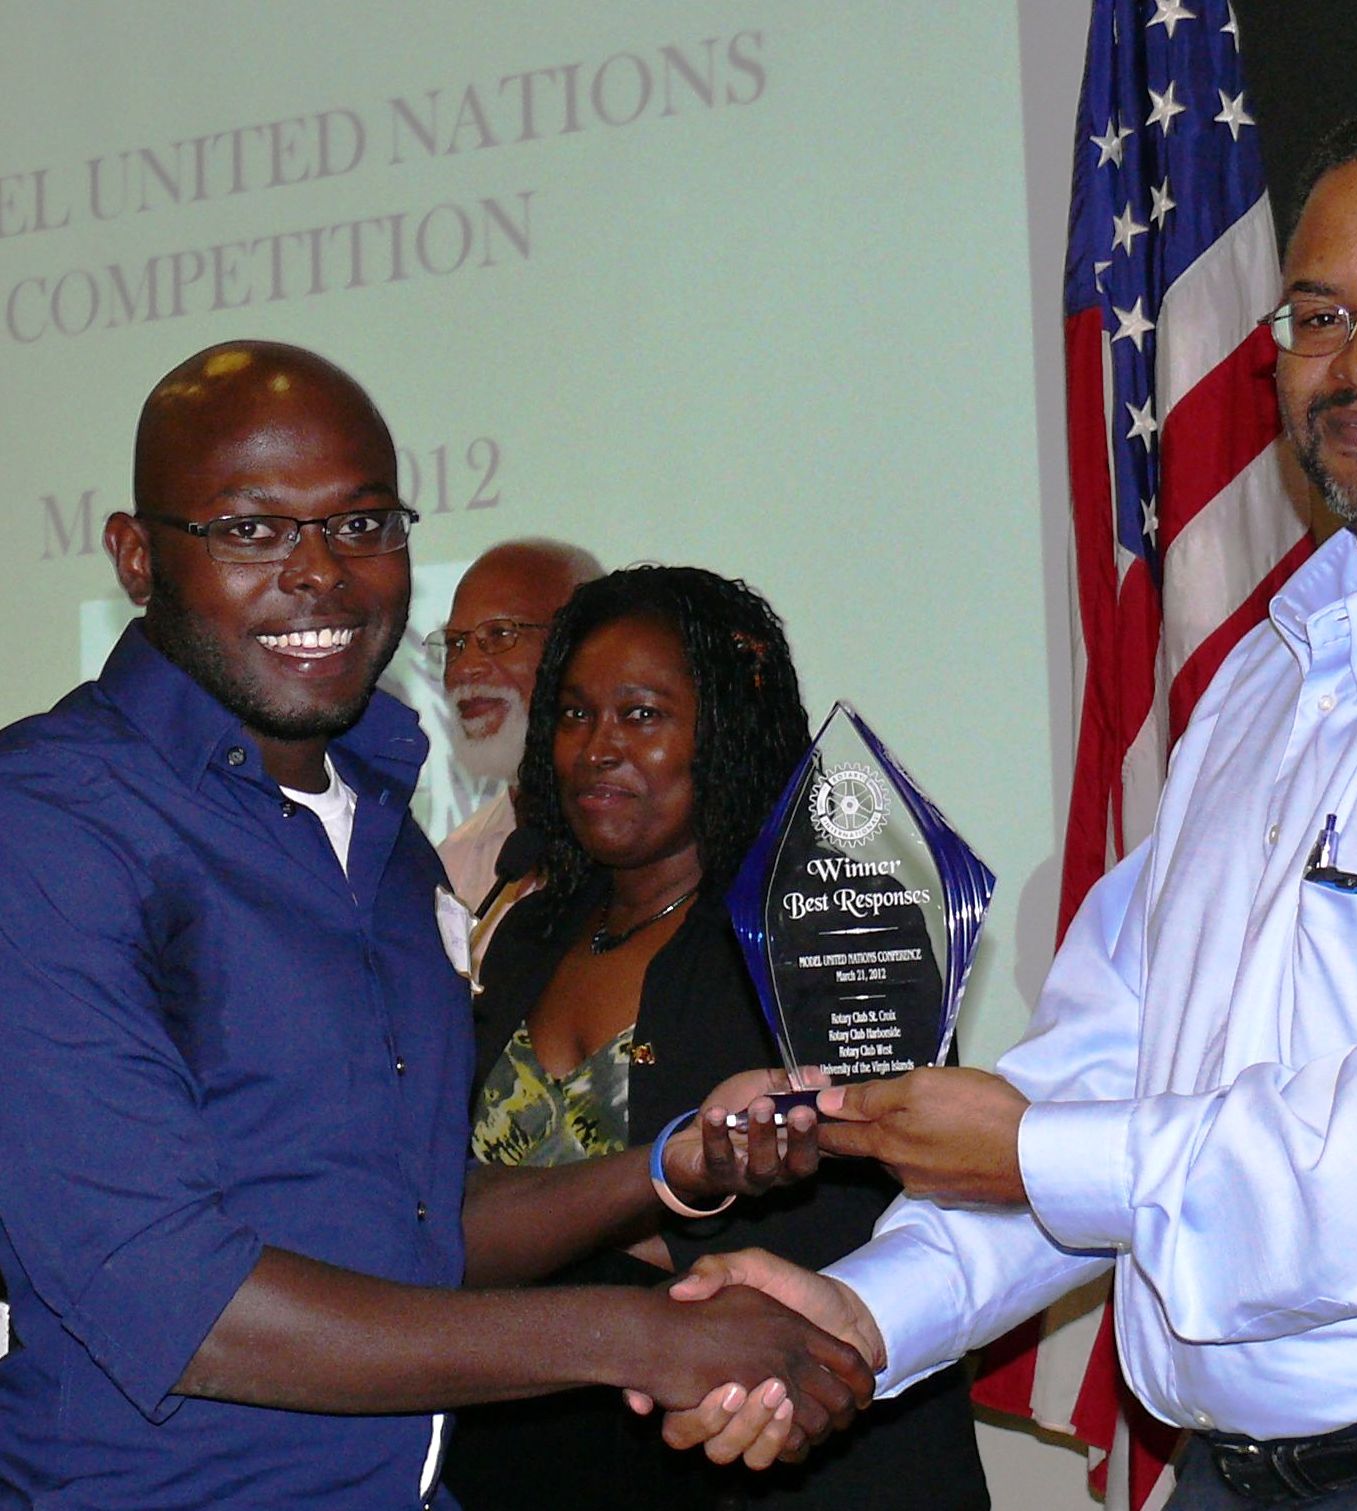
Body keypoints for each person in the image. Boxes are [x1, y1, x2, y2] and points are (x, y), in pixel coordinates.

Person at [663, 98, 1357, 1508]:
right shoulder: (1267, 685)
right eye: (1321, 315)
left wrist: (1037, 1147)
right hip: (1238, 1478)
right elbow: (1117, 1061)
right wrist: (857, 1312)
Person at [0, 341, 869, 1511]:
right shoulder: (52, 821)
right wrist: (635, 1337)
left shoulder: (385, 841)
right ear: (138, 555)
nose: (322, 573)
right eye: (254, 529)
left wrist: (671, 1164)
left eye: (362, 525)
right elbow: (179, 1302)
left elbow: (413, 1213)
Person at [443, 565, 989, 1510]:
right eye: (574, 715)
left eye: (644, 715)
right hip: (534, 1458)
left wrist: (548, 1237)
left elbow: (870, 1223)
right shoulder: (528, 931)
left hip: (778, 1467)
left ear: (726, 733)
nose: (598, 749)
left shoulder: (826, 933)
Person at [435, 537, 601, 925]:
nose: (464, 668)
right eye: (455, 644)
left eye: (499, 635)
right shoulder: (452, 868)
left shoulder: (661, 847)